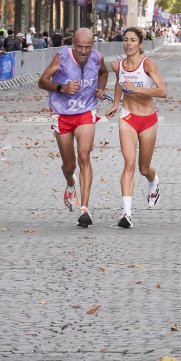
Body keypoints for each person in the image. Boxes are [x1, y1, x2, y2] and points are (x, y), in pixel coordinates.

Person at [38, 27, 109, 227]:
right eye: (79, 47)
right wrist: (62, 88)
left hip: (86, 111)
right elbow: (42, 81)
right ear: (73, 45)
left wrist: (101, 89)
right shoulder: (61, 57)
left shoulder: (98, 58)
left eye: (87, 47)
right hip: (61, 113)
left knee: (84, 156)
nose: (84, 51)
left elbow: (103, 73)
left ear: (93, 45)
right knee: (70, 166)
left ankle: (84, 209)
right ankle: (70, 183)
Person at [105, 27, 167, 228]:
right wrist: (115, 103)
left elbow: (162, 91)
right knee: (129, 163)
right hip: (128, 117)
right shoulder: (118, 65)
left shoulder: (148, 64)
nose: (128, 44)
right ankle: (126, 214)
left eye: (132, 40)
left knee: (143, 168)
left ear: (140, 44)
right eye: (125, 40)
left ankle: (153, 181)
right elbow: (119, 83)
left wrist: (137, 88)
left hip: (148, 119)